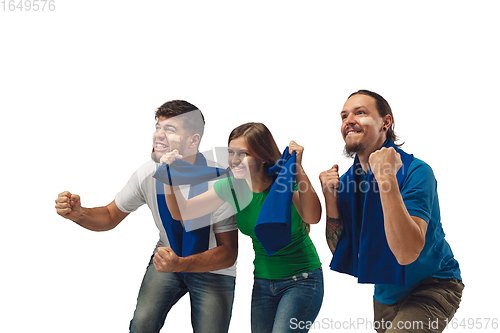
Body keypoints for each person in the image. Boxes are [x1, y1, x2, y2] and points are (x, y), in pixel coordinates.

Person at [54, 100, 238, 333]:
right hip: (168, 255)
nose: (158, 135)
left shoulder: (220, 183)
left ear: (193, 140)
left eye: (169, 129)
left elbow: (228, 253)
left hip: (212, 267)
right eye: (158, 127)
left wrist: (182, 264)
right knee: (141, 325)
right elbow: (110, 215)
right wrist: (79, 214)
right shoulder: (148, 173)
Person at [320, 90, 464, 333]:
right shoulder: (348, 182)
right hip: (385, 295)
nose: (348, 120)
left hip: (432, 284)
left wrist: (385, 178)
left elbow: (407, 252)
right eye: (344, 116)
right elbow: (342, 249)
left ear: (386, 122)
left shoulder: (416, 172)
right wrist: (330, 200)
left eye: (360, 113)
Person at [158, 122, 324, 333]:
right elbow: (183, 212)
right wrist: (167, 176)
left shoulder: (283, 182)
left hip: (302, 280)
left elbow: (313, 216)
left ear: (263, 156)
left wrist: (298, 168)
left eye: (243, 154)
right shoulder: (232, 187)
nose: (234, 160)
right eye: (231, 153)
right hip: (264, 282)